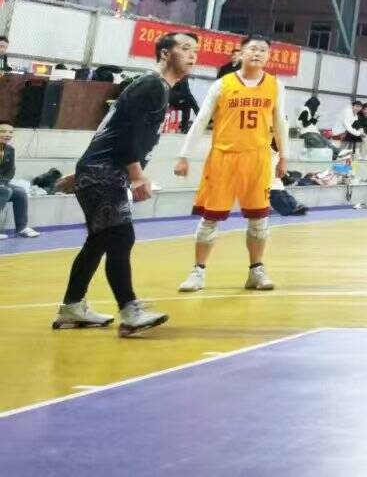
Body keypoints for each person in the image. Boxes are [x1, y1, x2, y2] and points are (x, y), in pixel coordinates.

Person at [53, 32, 197, 335]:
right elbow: (127, 134)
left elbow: (111, 127)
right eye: (185, 48)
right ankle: (130, 312)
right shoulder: (153, 86)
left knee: (99, 241)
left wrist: (84, 170)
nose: (192, 55)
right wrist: (136, 174)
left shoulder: (155, 87)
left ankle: (72, 307)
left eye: (195, 50)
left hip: (99, 170)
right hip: (105, 172)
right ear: (164, 54)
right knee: (120, 237)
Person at [173, 36, 289, 294]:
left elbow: (280, 121)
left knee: (259, 219)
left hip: (257, 158)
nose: (257, 53)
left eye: (263, 50)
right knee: (210, 218)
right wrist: (184, 155)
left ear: (268, 56)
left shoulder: (275, 85)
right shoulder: (222, 84)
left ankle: (256, 271)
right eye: (253, 49)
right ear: (240, 53)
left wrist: (284, 155)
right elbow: (201, 120)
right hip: (223, 158)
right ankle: (198, 272)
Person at [1, 122, 40, 238]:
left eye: (10, 132)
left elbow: (10, 171)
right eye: (3, 131)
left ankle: (22, 228)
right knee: (5, 191)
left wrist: (3, 183)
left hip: (1, 183)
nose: (8, 134)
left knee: (20, 192)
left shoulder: (10, 150)